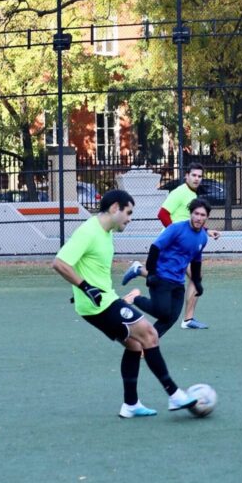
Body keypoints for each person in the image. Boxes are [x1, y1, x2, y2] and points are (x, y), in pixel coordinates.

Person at [52, 189, 198, 419]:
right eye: (128, 213)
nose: (130, 218)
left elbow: (85, 267)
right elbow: (60, 263)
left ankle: (130, 404)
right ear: (114, 208)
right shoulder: (88, 232)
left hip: (101, 301)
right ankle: (174, 394)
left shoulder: (106, 232)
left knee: (135, 346)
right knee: (150, 334)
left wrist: (83, 290)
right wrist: (85, 288)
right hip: (99, 304)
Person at [122, 198, 210, 337]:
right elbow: (155, 247)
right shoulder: (176, 228)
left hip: (178, 282)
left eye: (202, 215)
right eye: (196, 213)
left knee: (171, 317)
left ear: (207, 217)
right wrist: (151, 274)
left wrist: (197, 283)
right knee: (162, 312)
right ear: (191, 214)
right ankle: (135, 298)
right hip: (161, 276)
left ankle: (148, 342)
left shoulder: (203, 237)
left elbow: (196, 261)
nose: (199, 218)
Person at [158, 163, 220, 329]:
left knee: (192, 276)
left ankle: (188, 319)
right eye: (194, 175)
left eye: (200, 176)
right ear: (186, 176)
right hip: (173, 245)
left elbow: (188, 221)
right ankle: (187, 320)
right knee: (177, 277)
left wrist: (206, 231)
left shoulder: (192, 194)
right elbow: (162, 214)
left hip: (181, 245)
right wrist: (174, 236)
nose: (197, 179)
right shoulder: (180, 192)